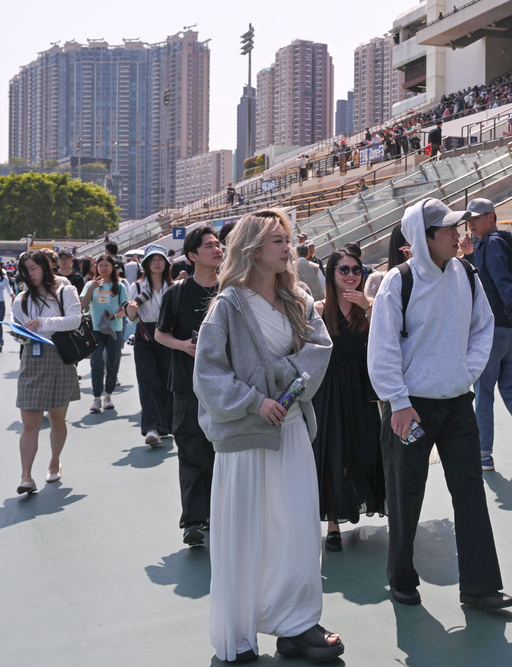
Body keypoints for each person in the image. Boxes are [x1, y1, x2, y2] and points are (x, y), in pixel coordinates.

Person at [193, 209, 342, 664]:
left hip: (292, 427)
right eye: (277, 241)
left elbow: (320, 349)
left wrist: (281, 385)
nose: (286, 247)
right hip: (247, 438)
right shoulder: (227, 306)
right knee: (246, 535)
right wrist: (256, 402)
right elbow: (209, 375)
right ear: (254, 250)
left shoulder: (297, 297)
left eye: (287, 239)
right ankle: (239, 635)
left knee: (297, 530)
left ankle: (297, 624)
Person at [368, 198, 512, 612]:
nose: (458, 233)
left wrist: (465, 372)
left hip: (456, 402)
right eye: (449, 228)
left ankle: (480, 587)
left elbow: (482, 327)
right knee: (405, 493)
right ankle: (400, 577)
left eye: (458, 227)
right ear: (423, 235)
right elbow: (382, 349)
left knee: (470, 492)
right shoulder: (399, 282)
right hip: (409, 407)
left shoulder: (466, 273)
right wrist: (396, 401)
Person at [458, 198, 512, 475]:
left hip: (495, 330)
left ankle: (484, 455)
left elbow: (500, 284)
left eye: (477, 217)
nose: (470, 222)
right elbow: (491, 280)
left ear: (491, 218)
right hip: (510, 331)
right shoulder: (495, 243)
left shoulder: (492, 244)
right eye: (469, 218)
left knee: (484, 392)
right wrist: (471, 255)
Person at [155, 226, 224, 547]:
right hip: (187, 386)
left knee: (225, 452)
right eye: (209, 246)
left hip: (228, 385)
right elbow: (159, 334)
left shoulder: (232, 290)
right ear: (192, 256)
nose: (217, 249)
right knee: (191, 450)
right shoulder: (176, 293)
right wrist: (183, 346)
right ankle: (194, 520)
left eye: (218, 244)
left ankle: (224, 514)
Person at [312, 248, 384, 552]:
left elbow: (387, 339)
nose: (351, 276)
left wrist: (368, 308)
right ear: (332, 274)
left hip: (360, 390)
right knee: (331, 455)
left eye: (357, 270)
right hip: (328, 392)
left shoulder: (369, 308)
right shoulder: (318, 309)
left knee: (364, 449)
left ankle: (359, 503)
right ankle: (332, 525)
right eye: (344, 270)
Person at [10, 250, 83, 495]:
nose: (30, 273)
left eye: (34, 267)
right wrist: (20, 333)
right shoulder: (20, 299)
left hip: (61, 358)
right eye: (26, 269)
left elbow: (75, 319)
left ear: (45, 266)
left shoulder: (65, 291)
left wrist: (42, 323)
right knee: (29, 422)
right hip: (32, 357)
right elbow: (19, 329)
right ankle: (26, 476)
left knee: (57, 418)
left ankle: (54, 461)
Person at [124, 244, 173, 446]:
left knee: (166, 382)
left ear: (166, 263)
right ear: (145, 263)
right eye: (152, 260)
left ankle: (166, 426)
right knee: (146, 381)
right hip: (144, 336)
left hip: (168, 336)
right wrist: (132, 311)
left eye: (160, 259)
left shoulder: (173, 287)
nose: (156, 263)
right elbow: (131, 320)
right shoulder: (136, 287)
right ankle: (151, 428)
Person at [80, 254, 128, 413]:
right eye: (100, 265)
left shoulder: (119, 286)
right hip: (96, 329)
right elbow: (83, 304)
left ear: (112, 267)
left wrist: (114, 316)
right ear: (96, 268)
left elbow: (125, 309)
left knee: (113, 362)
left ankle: (108, 395)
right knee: (96, 362)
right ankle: (96, 397)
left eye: (107, 265)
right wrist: (92, 288)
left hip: (115, 329)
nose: (104, 268)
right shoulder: (90, 285)